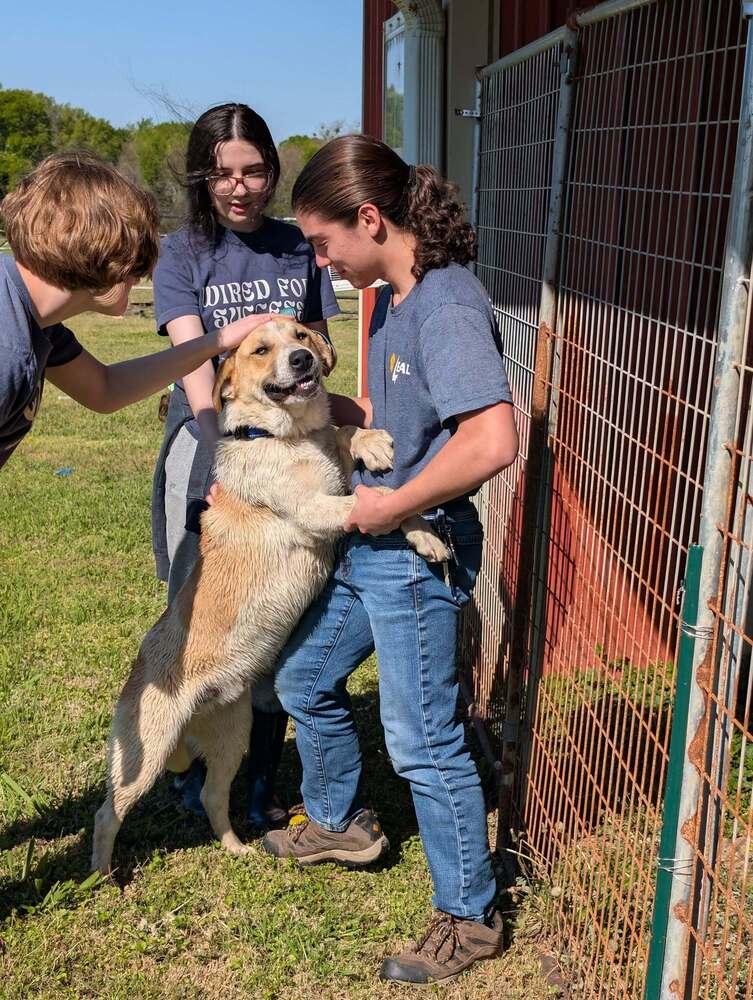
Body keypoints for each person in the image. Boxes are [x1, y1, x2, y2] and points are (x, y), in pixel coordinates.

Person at [260, 134, 519, 985]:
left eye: (326, 242)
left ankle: (468, 918)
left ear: (369, 218)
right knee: (303, 680)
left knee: (421, 740)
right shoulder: (397, 303)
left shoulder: (443, 306)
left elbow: (490, 439)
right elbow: (403, 423)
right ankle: (338, 821)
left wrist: (393, 504)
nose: (322, 260)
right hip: (372, 541)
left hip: (415, 548)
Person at [150, 103, 339, 829]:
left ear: (272, 169)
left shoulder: (298, 249)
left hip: (294, 458)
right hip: (209, 452)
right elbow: (194, 363)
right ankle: (184, 765)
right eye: (223, 174)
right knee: (196, 612)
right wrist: (221, 449)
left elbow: (316, 353)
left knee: (274, 617)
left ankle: (255, 776)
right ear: (203, 178)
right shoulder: (182, 251)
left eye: (254, 170)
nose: (239, 187)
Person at [0, 152, 277, 472]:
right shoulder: (9, 352)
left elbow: (105, 388)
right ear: (99, 249)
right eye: (137, 256)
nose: (145, 271)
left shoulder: (34, 318)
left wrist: (219, 340)